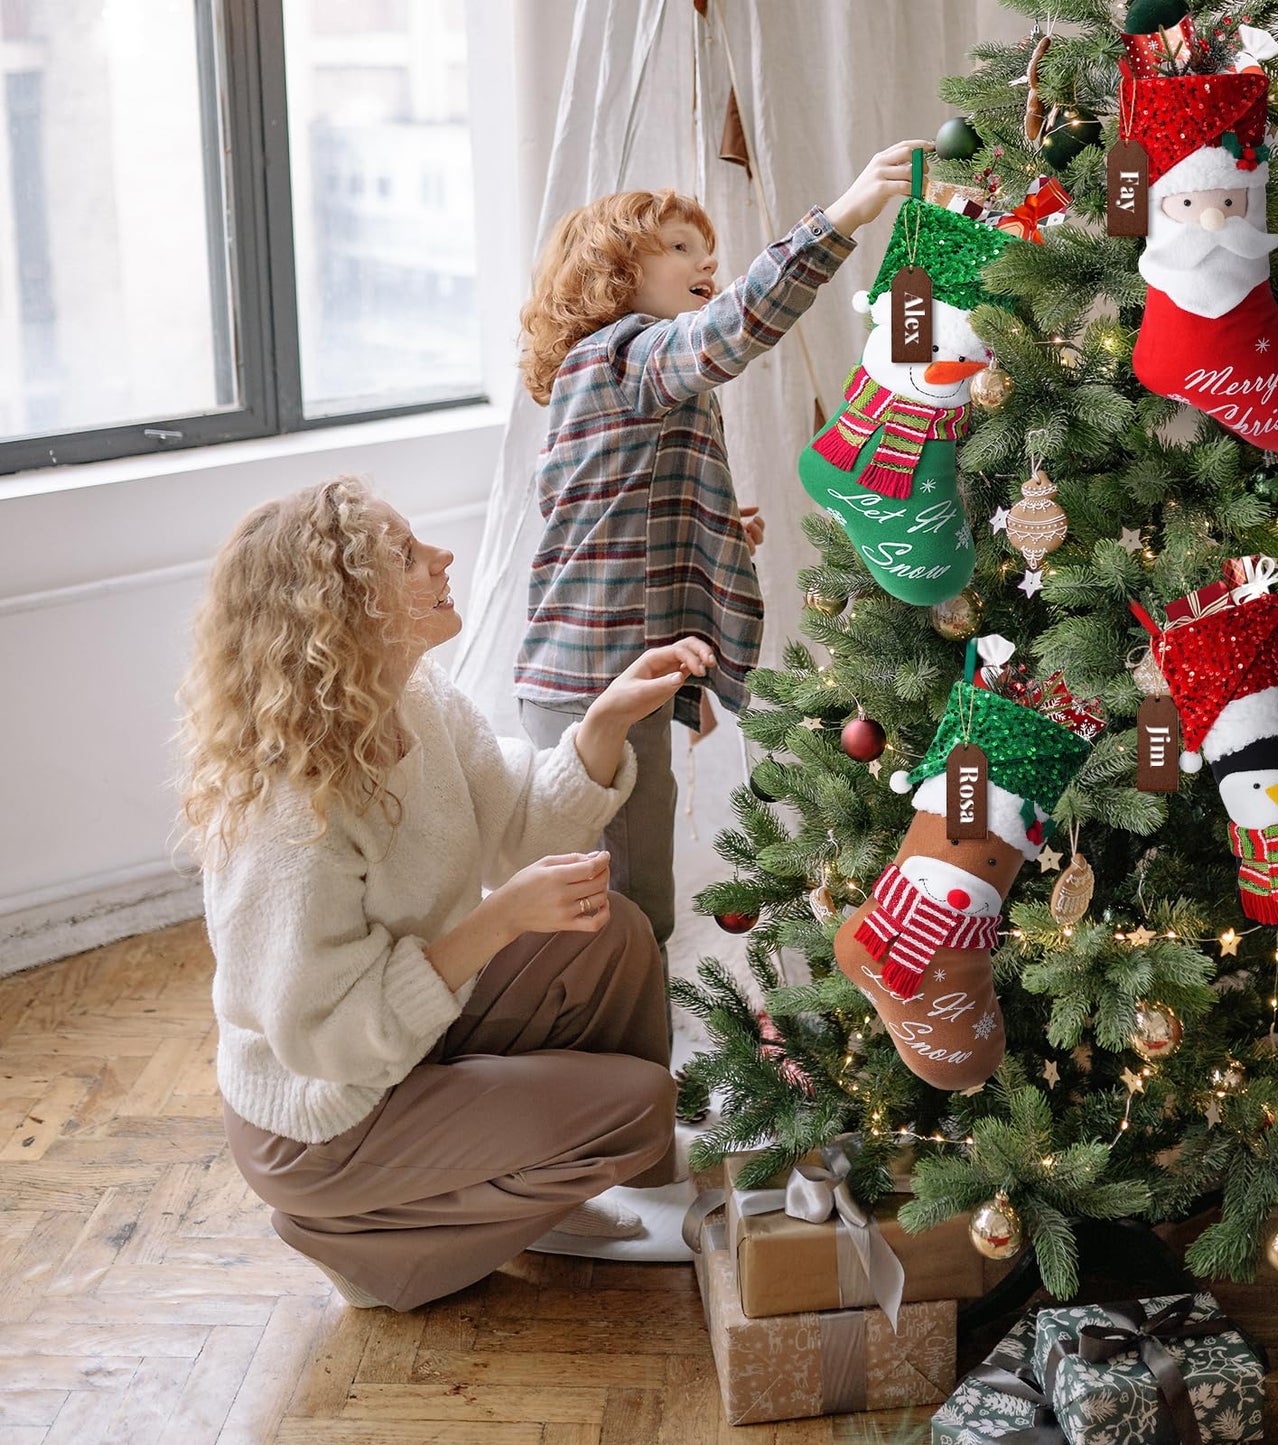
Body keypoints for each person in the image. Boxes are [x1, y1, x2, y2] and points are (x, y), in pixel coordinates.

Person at [178, 476, 714, 1311]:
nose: (442, 557)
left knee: (610, 933)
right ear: (346, 606)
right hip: (325, 1119)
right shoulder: (288, 807)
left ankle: (617, 1179)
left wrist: (604, 722)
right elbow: (330, 1043)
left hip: (406, 1043)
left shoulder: (416, 699)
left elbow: (524, 824)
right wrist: (498, 922)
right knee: (635, 1103)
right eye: (405, 555)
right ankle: (370, 1239)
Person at [513, 139, 930, 977]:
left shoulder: (617, 378)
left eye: (705, 245)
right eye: (677, 246)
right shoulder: (625, 353)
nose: (706, 257)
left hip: (603, 673)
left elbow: (607, 515)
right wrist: (840, 216)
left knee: (620, 902)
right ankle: (621, 1070)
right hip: (597, 684)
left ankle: (612, 1054)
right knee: (625, 912)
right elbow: (728, 333)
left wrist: (712, 529)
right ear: (611, 273)